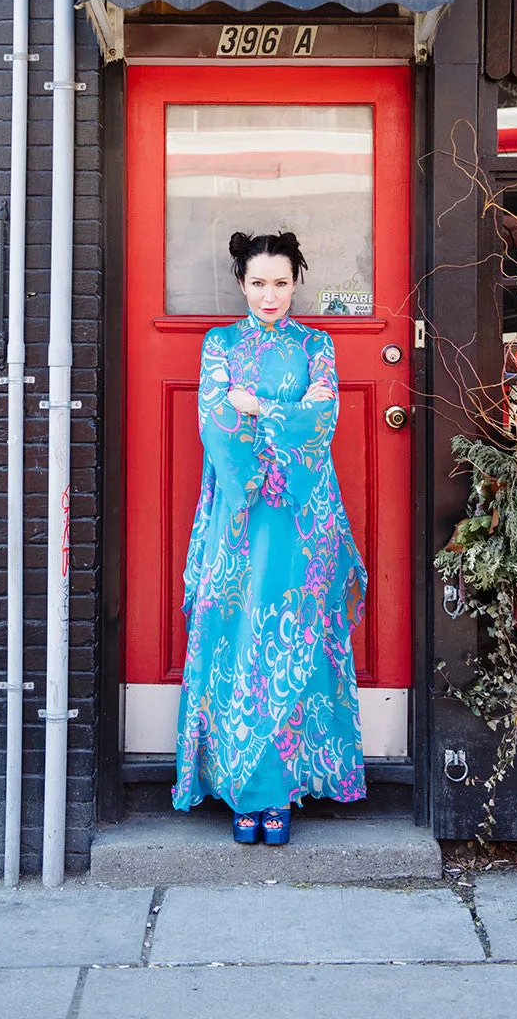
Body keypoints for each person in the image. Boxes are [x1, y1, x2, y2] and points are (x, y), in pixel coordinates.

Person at [172, 230, 367, 845]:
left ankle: (279, 792)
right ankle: (242, 789)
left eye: (280, 282)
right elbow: (217, 423)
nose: (270, 294)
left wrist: (255, 406)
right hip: (238, 510)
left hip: (304, 514)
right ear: (241, 284)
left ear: (295, 283)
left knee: (294, 641)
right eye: (258, 283)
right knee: (240, 634)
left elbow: (324, 419)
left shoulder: (318, 344)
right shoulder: (219, 343)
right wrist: (267, 415)